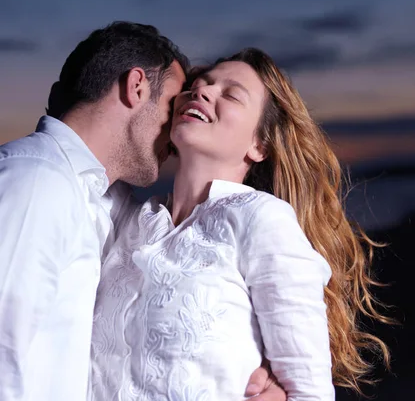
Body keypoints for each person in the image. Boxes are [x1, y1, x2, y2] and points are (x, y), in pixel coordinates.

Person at [0, 23, 283, 401]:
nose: (176, 126)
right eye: (172, 106)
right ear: (136, 88)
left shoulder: (108, 205)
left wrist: (262, 367)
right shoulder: (37, 180)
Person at [90, 48, 389, 400]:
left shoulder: (261, 219)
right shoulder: (128, 218)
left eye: (230, 94)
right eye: (198, 85)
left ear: (259, 144)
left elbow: (310, 392)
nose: (201, 92)